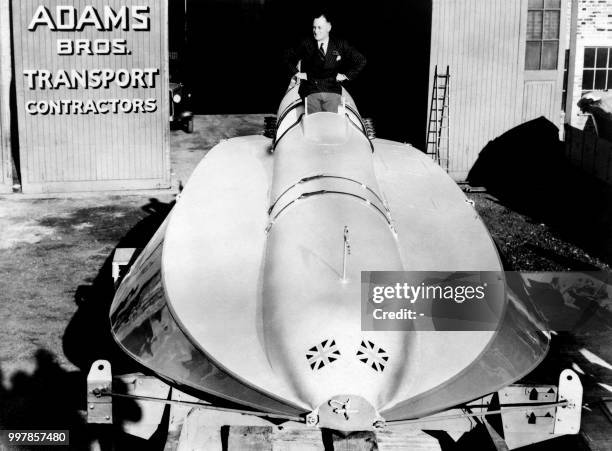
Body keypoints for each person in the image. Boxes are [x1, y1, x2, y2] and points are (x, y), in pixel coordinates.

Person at [284, 12, 366, 113]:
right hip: (311, 90)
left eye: (319, 27)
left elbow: (360, 60)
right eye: (314, 27)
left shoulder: (340, 45)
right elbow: (287, 57)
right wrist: (298, 73)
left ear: (328, 28)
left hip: (332, 90)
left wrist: (345, 76)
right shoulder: (306, 44)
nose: (316, 31)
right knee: (315, 121)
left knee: (330, 122)